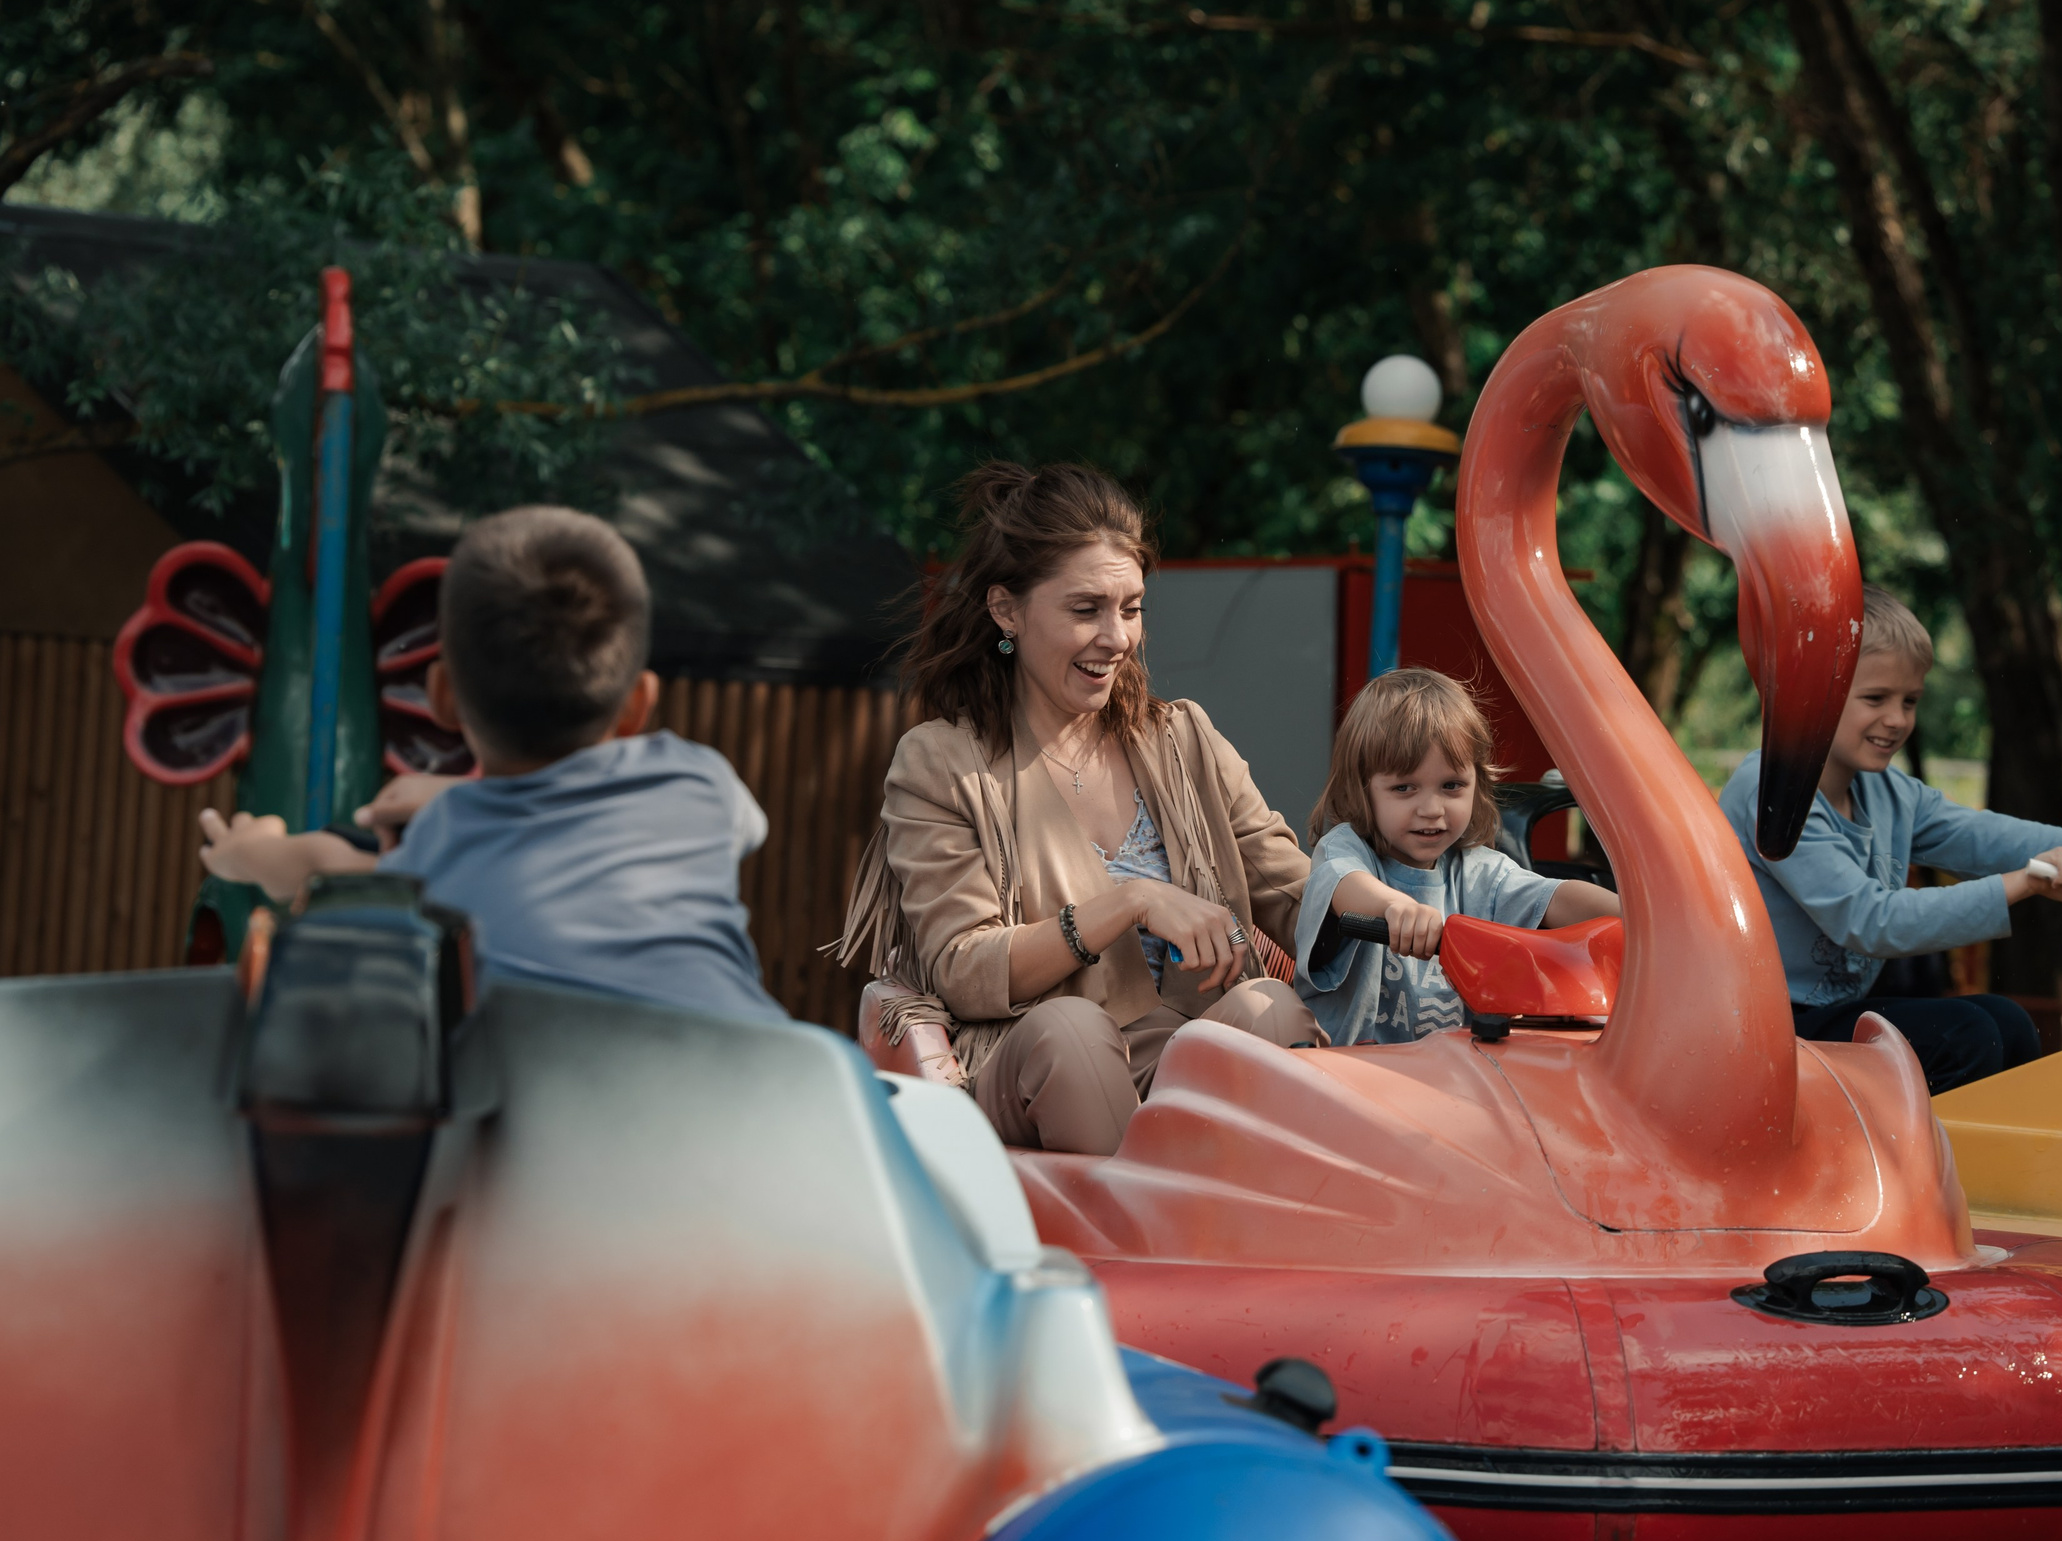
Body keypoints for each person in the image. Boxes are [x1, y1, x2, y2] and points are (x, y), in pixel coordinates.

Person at [834, 461, 1320, 1155]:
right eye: (1086, 609)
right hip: (1030, 1061)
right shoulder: (940, 762)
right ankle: (1140, 1221)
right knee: (1074, 1032)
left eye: (1131, 609)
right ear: (1007, 610)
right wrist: (1133, 902)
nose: (1117, 637)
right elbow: (964, 968)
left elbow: (1296, 889)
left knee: (1268, 1009)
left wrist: (1421, 908)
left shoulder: (1183, 739)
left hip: (1179, 1049)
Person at [197, 505, 784, 1022]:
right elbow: (740, 827)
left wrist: (244, 853)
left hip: (569, 1095)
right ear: (639, 704)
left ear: (442, 697)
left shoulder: (438, 842)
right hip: (776, 1083)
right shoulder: (699, 781)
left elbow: (322, 865)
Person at [1720, 587, 2062, 1092]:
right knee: (1966, 1036)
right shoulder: (1773, 789)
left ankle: (2001, 1162)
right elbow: (1870, 920)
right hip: (1758, 1026)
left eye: (1910, 701)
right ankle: (1924, 1163)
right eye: (1876, 698)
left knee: (2007, 1021)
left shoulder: (1888, 794)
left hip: (1824, 1018)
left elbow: (2005, 839)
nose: (1897, 719)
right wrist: (2027, 882)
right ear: (1814, 691)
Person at [1294, 668, 1621, 1046]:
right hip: (1348, 1069)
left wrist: (1641, 917)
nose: (1432, 809)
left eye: (1451, 786)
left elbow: (1556, 896)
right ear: (1362, 789)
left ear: (1476, 784)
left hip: (1451, 1072)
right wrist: (1394, 907)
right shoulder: (1347, 850)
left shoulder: (1480, 873)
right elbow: (1342, 883)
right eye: (1404, 788)